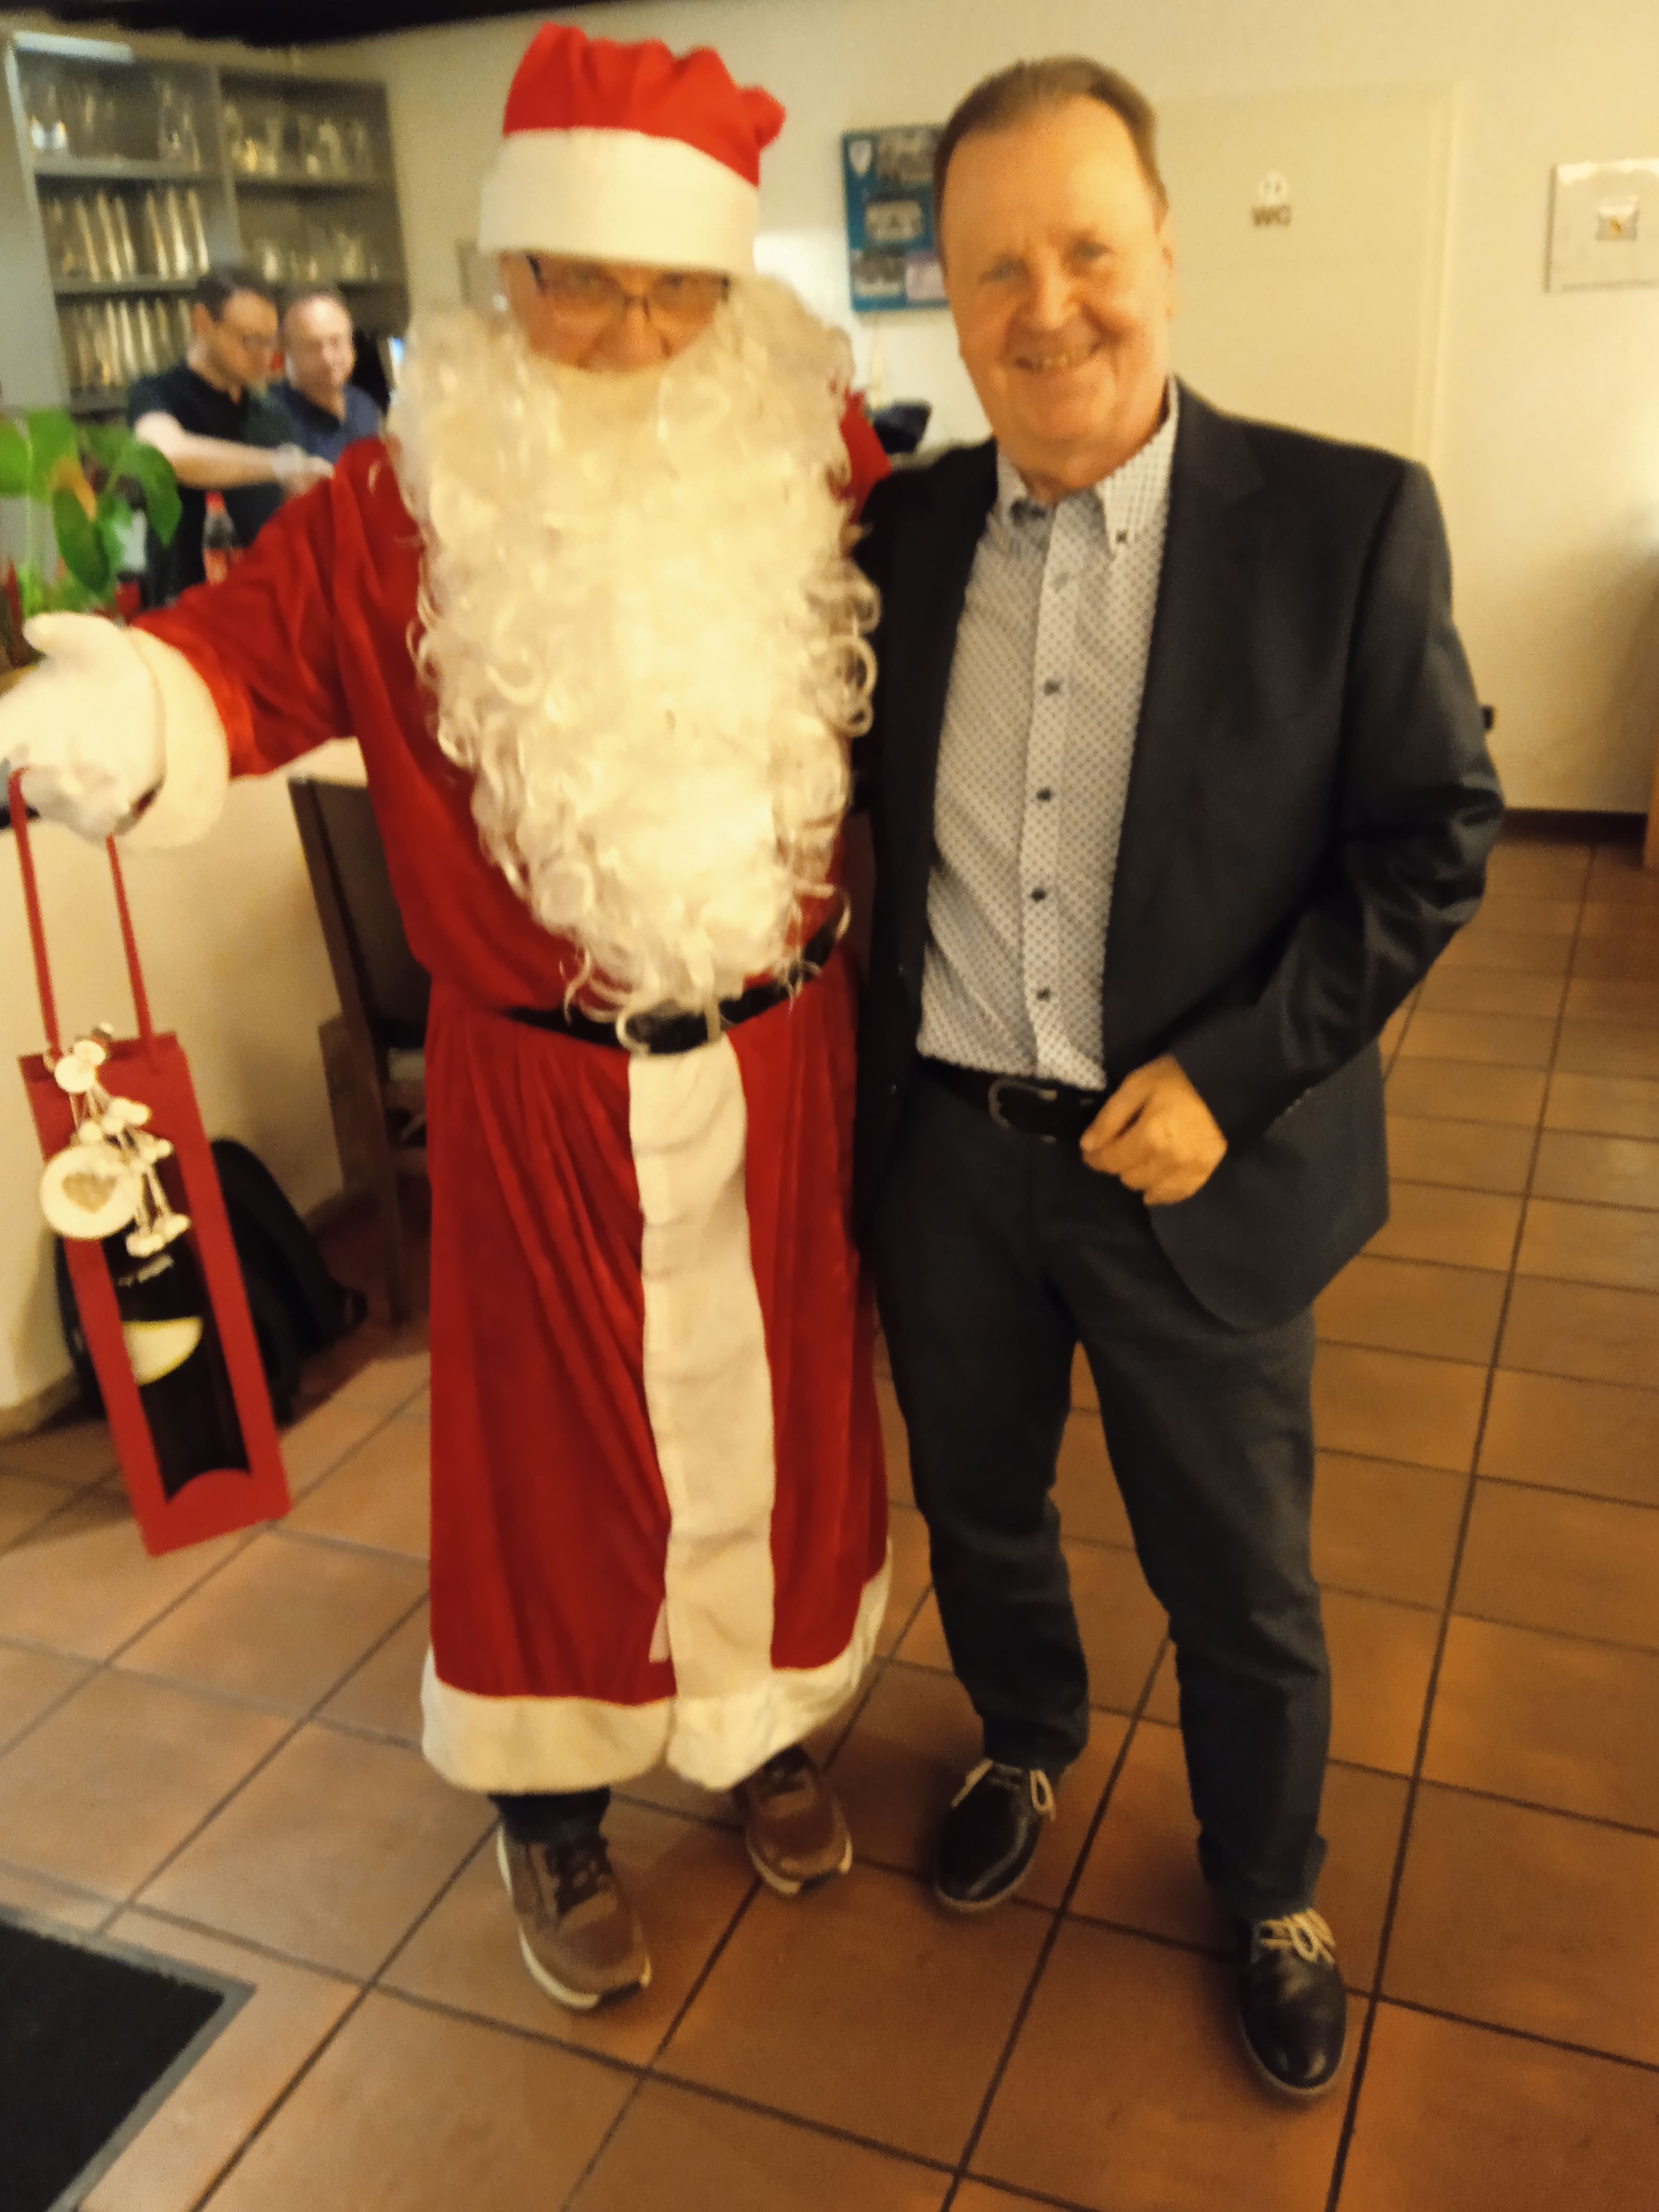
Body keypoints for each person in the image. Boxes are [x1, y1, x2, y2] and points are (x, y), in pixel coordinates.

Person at [3, 24, 890, 2016]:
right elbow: (233, 660)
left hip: (782, 1068)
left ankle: (760, 1724)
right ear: (509, 269)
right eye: (586, 283)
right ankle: (549, 1800)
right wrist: (115, 706)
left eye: (679, 289)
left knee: (790, 1421)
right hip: (537, 1091)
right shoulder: (397, 506)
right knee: (545, 1466)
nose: (635, 336)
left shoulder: (809, 459)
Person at [853, 57, 1502, 2101]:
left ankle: (1271, 1879)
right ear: (948, 300)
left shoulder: (1343, 523)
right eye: (994, 269)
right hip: (951, 1159)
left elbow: (1431, 842)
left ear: (1165, 252)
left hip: (1192, 1170)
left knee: (1237, 1569)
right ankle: (1026, 1736)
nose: (1044, 307)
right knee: (978, 1504)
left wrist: (1231, 1073)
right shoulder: (898, 532)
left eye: (1087, 251)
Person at [128, 266, 333, 603]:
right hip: (182, 611)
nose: (265, 356)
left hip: (261, 609)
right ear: (203, 323)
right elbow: (167, 455)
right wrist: (281, 464)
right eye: (250, 340)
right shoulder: (157, 394)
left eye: (271, 341)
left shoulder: (273, 415)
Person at [273, 284, 383, 464]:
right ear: (286, 349)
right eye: (312, 347)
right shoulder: (267, 419)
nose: (327, 358)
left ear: (351, 343)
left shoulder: (364, 407)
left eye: (336, 341)